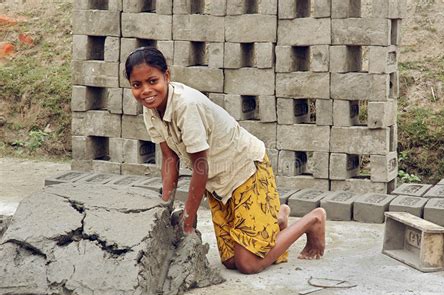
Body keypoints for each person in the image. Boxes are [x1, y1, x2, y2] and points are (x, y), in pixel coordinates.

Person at [125, 47, 326, 274]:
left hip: (246, 171)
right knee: (230, 260)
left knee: (247, 263)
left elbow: (200, 166)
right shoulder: (150, 109)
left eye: (153, 81)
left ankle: (312, 221)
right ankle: (276, 219)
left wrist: (188, 221)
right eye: (137, 85)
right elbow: (170, 159)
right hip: (219, 183)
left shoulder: (186, 106)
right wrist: (164, 208)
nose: (146, 90)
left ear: (167, 76)